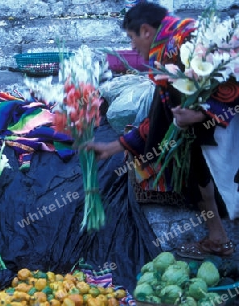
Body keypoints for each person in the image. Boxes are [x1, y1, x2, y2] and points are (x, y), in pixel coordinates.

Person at [84, 2, 238, 260]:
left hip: (228, 134)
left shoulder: (192, 42)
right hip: (203, 137)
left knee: (229, 183)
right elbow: (159, 119)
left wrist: (200, 114)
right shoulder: (166, 58)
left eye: (132, 38)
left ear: (145, 31)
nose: (132, 47)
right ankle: (218, 239)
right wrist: (112, 147)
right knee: (198, 175)